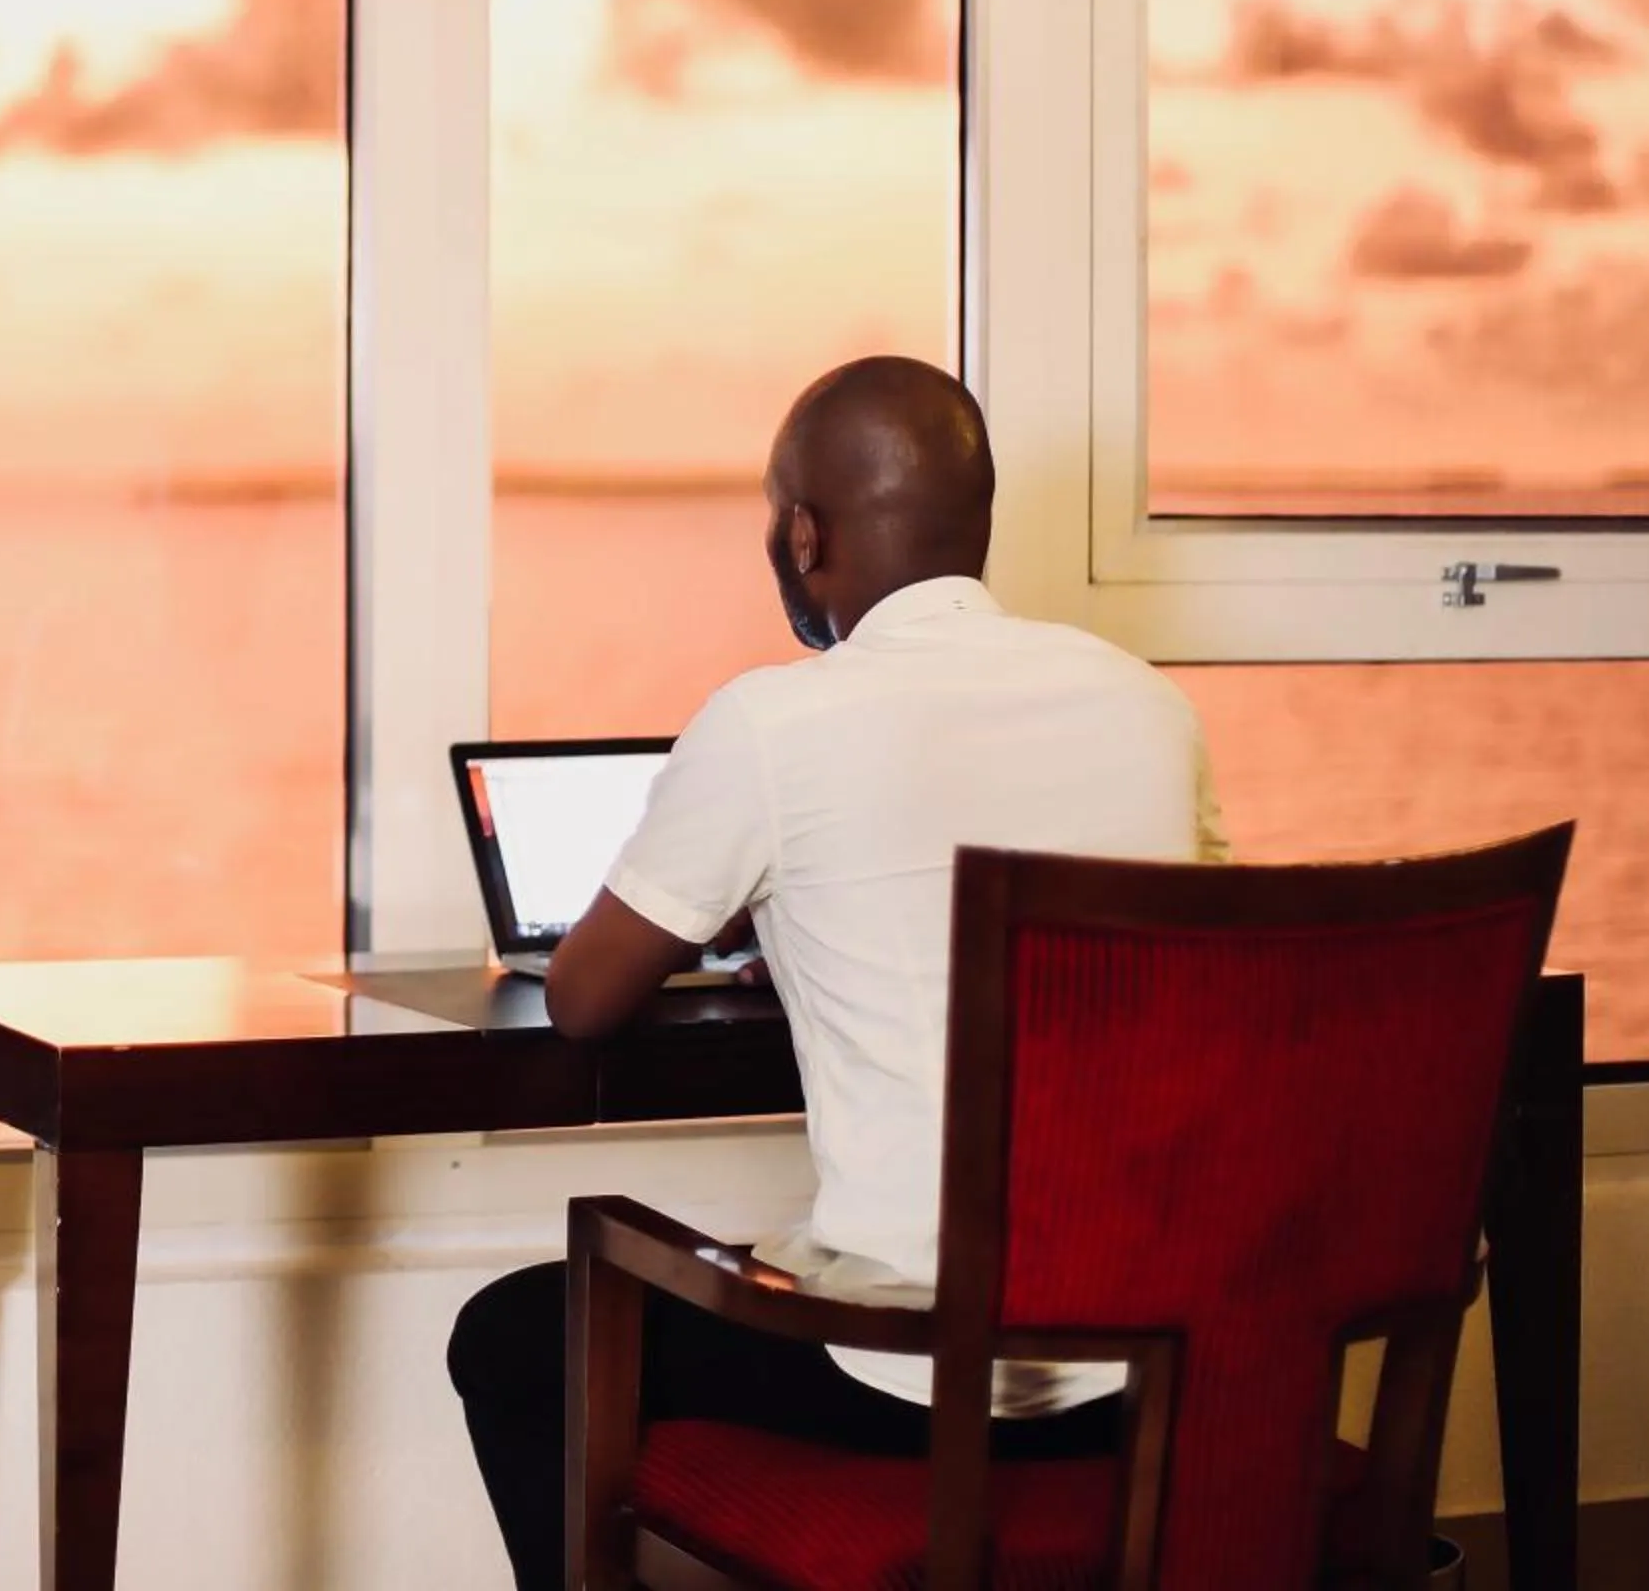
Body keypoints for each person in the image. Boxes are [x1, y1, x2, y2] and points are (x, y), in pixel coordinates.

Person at [447, 356, 1227, 1590]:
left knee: (512, 1334)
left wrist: (750, 910)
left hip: (916, 1377)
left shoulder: (775, 720)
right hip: (1158, 1369)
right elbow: (1212, 957)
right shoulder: (1148, 708)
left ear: (803, 534)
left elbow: (585, 996)